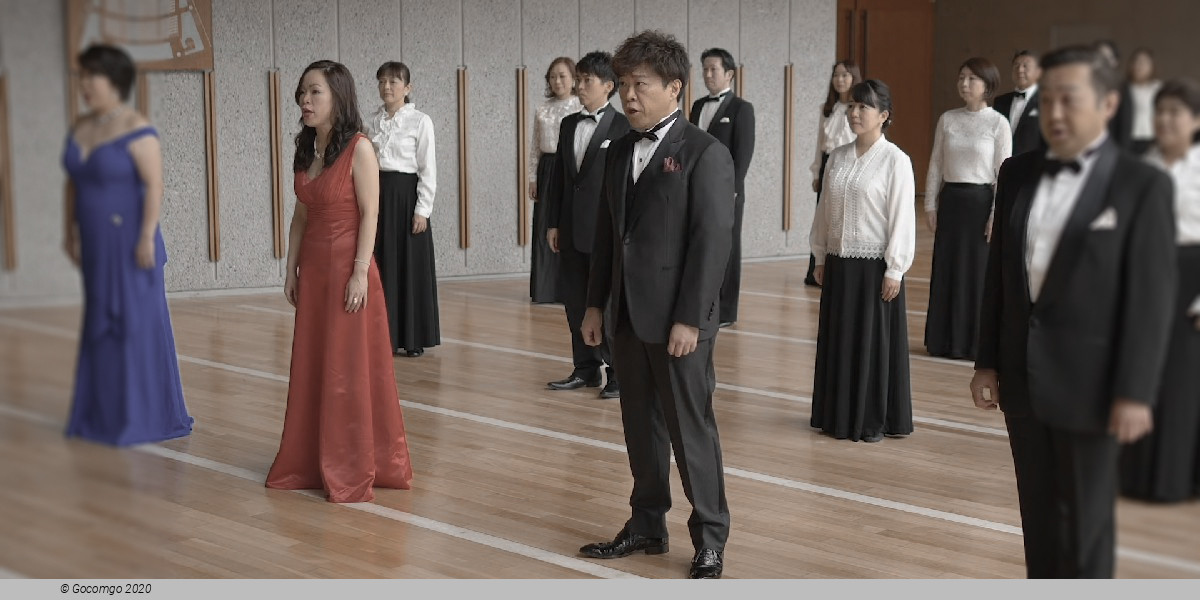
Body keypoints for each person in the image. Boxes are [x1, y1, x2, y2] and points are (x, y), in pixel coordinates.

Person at [971, 46, 1176, 578]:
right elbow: (999, 277)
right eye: (1049, 99)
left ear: (1108, 104)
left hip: (1096, 387)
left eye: (1071, 99)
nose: (1056, 111)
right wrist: (986, 361)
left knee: (1085, 529)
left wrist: (1136, 391)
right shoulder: (1016, 172)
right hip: (1023, 376)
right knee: (1038, 521)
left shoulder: (1141, 184)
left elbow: (1152, 299)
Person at [578, 30, 734, 580]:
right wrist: (594, 305)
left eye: (640, 84)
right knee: (640, 429)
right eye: (623, 84)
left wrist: (690, 317)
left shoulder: (705, 153)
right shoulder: (620, 148)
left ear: (674, 88)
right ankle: (646, 525)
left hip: (679, 322)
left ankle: (710, 537)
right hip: (626, 314)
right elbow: (608, 235)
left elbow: (711, 245)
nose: (628, 95)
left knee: (691, 431)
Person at [266, 60, 413, 504]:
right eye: (302, 92)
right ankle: (312, 458)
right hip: (314, 272)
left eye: (315, 92)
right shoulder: (307, 147)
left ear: (338, 97)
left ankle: (351, 461)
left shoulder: (360, 148)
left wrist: (359, 271)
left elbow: (371, 213)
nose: (304, 100)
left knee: (346, 369)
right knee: (315, 364)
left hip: (349, 270)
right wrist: (290, 268)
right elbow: (301, 216)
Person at [61, 44, 193, 446]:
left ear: (115, 80)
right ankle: (104, 413)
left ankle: (144, 414)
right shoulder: (82, 126)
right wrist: (69, 232)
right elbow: (73, 183)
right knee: (100, 324)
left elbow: (154, 185)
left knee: (135, 325)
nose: (84, 84)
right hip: (96, 244)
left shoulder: (138, 127)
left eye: (92, 76)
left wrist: (146, 236)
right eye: (82, 76)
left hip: (133, 243)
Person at [810, 79, 916, 443]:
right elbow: (824, 211)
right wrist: (820, 254)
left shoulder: (895, 160)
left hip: (874, 268)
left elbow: (902, 217)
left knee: (873, 344)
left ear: (883, 115)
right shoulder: (837, 157)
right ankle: (836, 416)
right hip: (839, 263)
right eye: (851, 106)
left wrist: (895, 269)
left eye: (863, 107)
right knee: (839, 340)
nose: (854, 113)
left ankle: (871, 419)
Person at [1119, 77, 1200, 503]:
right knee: (1142, 373)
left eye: (1175, 112)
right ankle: (1135, 476)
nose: (1165, 119)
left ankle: (1176, 480)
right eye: (1160, 111)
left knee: (1182, 384)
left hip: (1191, 283)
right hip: (1145, 279)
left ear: (1196, 120)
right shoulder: (1140, 165)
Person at [544, 51, 629, 399]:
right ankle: (585, 368)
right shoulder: (568, 124)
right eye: (578, 80)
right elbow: (560, 180)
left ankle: (618, 372)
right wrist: (553, 222)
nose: (579, 86)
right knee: (575, 302)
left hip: (605, 231)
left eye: (586, 81)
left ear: (608, 86)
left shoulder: (623, 126)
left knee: (607, 304)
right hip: (570, 229)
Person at [923, 57, 1012, 360]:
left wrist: (996, 215)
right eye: (961, 77)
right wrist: (930, 204)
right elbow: (936, 163)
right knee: (947, 270)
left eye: (972, 79)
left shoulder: (998, 123)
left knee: (976, 274)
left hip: (980, 204)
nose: (964, 83)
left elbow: (1003, 174)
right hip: (951, 202)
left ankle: (974, 345)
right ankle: (943, 341)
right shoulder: (947, 119)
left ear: (987, 85)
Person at [366, 61, 440, 357]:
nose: (386, 87)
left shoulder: (421, 121)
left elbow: (427, 168)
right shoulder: (372, 122)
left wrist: (423, 209)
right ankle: (383, 335)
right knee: (381, 264)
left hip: (407, 198)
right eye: (382, 81)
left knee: (410, 266)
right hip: (378, 196)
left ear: (407, 88)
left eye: (393, 82)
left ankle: (412, 338)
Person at [689, 47, 755, 326]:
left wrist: (733, 190)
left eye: (713, 69)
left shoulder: (742, 109)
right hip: (696, 188)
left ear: (729, 74)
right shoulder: (697, 106)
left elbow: (744, 153)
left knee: (728, 249)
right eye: (704, 69)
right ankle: (702, 306)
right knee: (699, 247)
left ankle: (726, 311)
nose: (708, 74)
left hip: (728, 191)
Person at [528, 57, 581, 303]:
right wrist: (532, 177)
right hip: (547, 168)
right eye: (552, 77)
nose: (557, 81)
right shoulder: (542, 108)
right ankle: (545, 288)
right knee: (543, 226)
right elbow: (535, 146)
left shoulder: (580, 107)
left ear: (574, 79)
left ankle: (568, 287)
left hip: (570, 168)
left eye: (562, 76)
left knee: (567, 223)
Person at [806, 60, 860, 286]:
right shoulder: (826, 109)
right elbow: (820, 143)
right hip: (828, 163)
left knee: (843, 215)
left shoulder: (857, 109)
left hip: (849, 162)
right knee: (823, 216)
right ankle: (818, 269)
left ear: (854, 78)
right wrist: (816, 173)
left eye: (845, 75)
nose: (840, 80)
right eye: (836, 75)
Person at [993, 50, 1046, 157]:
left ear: (1038, 72)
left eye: (1025, 66)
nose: (1020, 70)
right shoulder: (1000, 101)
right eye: (1016, 66)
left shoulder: (1046, 101)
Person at [1094, 40, 1135, 151]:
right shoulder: (1086, 85)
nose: (1104, 61)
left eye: (1108, 58)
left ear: (1116, 62)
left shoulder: (1122, 86)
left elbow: (1125, 123)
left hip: (1113, 146)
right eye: (1100, 56)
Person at [1126, 48, 1162, 156]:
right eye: (1137, 62)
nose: (1140, 66)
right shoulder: (1123, 89)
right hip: (1129, 138)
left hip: (1152, 137)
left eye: (1144, 63)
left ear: (1152, 67)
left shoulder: (1158, 88)